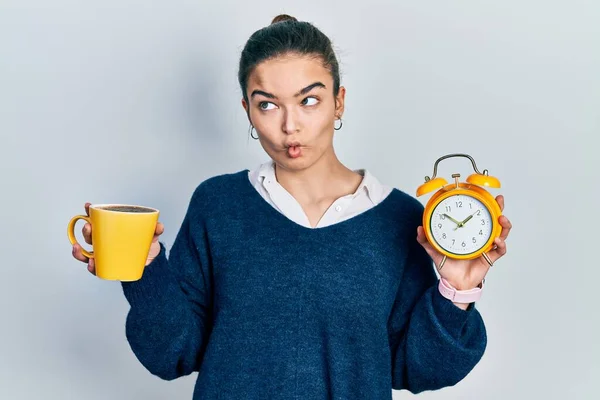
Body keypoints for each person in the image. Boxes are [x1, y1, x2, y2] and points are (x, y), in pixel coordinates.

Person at [71, 14, 512, 399]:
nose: (289, 126)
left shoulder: (399, 218)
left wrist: (456, 290)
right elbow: (173, 354)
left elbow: (417, 369)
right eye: (268, 105)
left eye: (309, 100)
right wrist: (143, 270)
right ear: (247, 110)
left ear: (339, 101)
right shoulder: (218, 206)